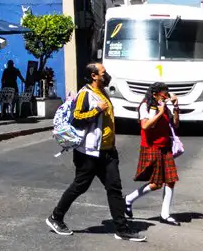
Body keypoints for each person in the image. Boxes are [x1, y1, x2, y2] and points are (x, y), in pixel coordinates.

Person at [46, 63, 145, 241]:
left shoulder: (103, 92)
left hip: (107, 151)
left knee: (114, 188)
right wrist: (97, 110)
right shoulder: (86, 93)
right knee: (80, 186)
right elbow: (77, 118)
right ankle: (56, 217)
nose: (106, 75)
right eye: (103, 72)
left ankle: (122, 229)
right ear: (94, 76)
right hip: (88, 152)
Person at [124, 82, 181, 224]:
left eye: (167, 93)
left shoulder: (163, 105)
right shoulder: (146, 106)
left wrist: (175, 107)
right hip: (152, 147)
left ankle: (165, 214)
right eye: (164, 94)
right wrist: (160, 112)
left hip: (165, 146)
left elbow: (175, 124)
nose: (166, 96)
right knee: (156, 183)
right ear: (155, 94)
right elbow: (145, 125)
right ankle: (128, 199)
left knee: (171, 180)